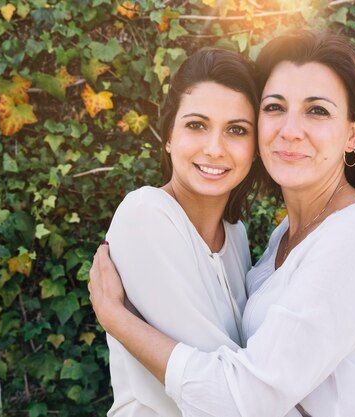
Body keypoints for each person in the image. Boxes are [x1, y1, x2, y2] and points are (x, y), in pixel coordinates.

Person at [90, 30, 355, 417]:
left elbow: (241, 400)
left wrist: (115, 319)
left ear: (352, 133)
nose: (290, 130)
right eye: (275, 107)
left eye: (317, 111)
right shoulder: (279, 239)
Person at [99, 48, 265, 417]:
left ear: (255, 148)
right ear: (169, 136)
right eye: (196, 125)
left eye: (236, 130)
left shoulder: (235, 235)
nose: (214, 148)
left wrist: (114, 315)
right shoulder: (146, 215)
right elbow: (230, 398)